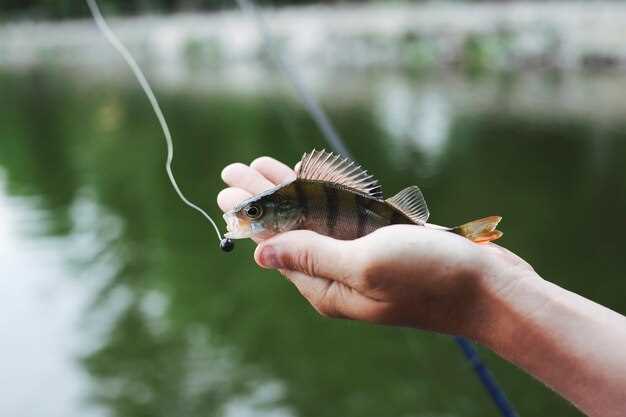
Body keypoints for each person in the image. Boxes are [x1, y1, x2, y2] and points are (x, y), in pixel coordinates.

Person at [217, 156, 626, 417]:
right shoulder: (292, 204)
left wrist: (481, 289)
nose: (247, 218)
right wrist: (495, 289)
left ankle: (459, 237)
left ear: (284, 211)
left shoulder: (297, 211)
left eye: (254, 211)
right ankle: (462, 238)